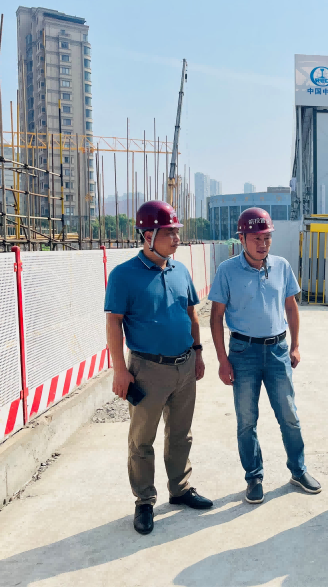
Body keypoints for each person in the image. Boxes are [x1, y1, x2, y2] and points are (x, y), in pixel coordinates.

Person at [104, 200, 212, 536]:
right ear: (147, 235)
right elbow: (114, 322)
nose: (177, 238)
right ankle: (144, 501)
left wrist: (197, 353)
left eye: (177, 232)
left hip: (184, 365)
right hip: (147, 370)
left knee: (180, 433)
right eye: (169, 233)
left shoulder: (180, 271)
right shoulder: (123, 275)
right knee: (142, 440)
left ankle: (180, 489)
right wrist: (120, 370)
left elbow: (191, 314)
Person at [209, 207, 320, 505]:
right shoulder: (227, 271)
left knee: (289, 415)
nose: (263, 244)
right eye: (256, 238)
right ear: (242, 239)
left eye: (267, 238)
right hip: (243, 352)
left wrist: (295, 345)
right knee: (247, 420)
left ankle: (298, 470)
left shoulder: (282, 266)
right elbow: (216, 316)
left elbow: (291, 307)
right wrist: (222, 359)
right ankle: (254, 477)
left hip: (277, 351)